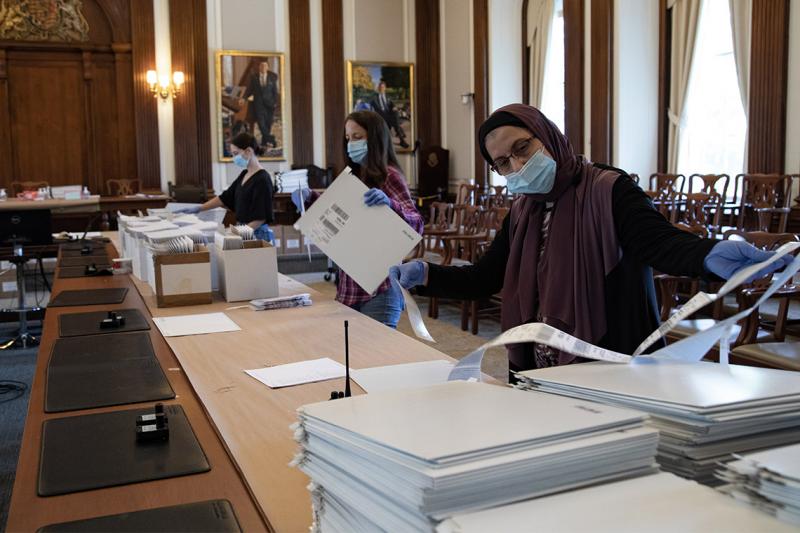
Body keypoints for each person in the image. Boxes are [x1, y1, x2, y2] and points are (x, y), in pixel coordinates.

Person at [390, 104, 792, 380]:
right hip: (537, 368)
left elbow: (659, 242)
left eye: (522, 148)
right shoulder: (523, 211)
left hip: (610, 360)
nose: (517, 165)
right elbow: (485, 278)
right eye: (502, 162)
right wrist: (426, 273)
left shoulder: (609, 189)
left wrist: (708, 254)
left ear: (547, 135)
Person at [292, 110, 423, 327]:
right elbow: (334, 205)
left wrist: (390, 204)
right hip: (349, 286)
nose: (351, 143)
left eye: (357, 137)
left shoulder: (389, 176)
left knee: (374, 356)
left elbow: (416, 223)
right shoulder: (354, 175)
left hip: (380, 289)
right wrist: (307, 196)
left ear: (375, 138)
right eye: (348, 138)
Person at [178, 133, 274, 242]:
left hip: (256, 233)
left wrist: (238, 233)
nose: (234, 158)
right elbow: (224, 198)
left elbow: (261, 218)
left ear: (248, 151)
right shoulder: (244, 174)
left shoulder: (262, 179)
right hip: (244, 231)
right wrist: (199, 208)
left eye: (235, 153)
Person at [241, 61, 279, 148]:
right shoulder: (254, 77)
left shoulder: (272, 78)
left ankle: (264, 141)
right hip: (258, 104)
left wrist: (275, 103)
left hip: (270, 104)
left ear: (268, 68)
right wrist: (243, 98)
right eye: (261, 66)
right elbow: (249, 90)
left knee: (268, 123)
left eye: (265, 66)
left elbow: (275, 92)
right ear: (259, 67)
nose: (263, 67)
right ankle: (271, 139)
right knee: (261, 124)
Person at [370, 80, 409, 149]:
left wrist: (394, 107)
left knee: (395, 114)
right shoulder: (374, 98)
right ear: (378, 88)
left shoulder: (387, 96)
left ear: (385, 88)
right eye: (380, 87)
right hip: (381, 115)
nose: (381, 89)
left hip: (389, 115)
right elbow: (372, 107)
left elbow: (391, 104)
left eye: (383, 87)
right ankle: (401, 140)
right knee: (395, 121)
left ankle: (401, 139)